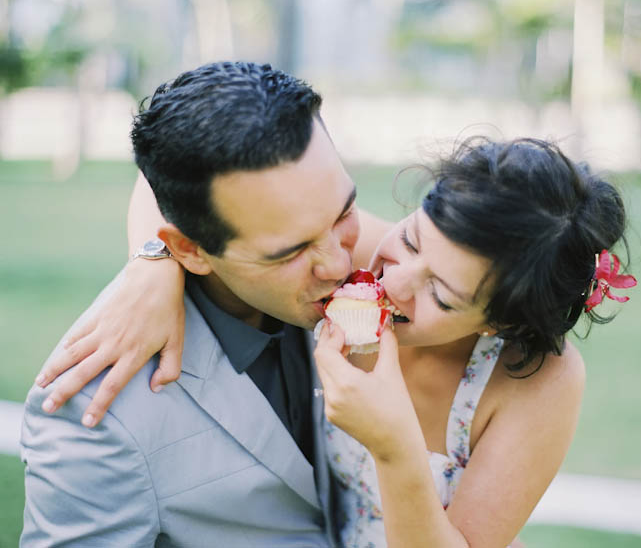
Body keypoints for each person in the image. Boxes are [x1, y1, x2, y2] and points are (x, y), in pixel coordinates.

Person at [31, 125, 635, 545]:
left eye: (442, 297)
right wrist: (151, 267)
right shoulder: (362, 258)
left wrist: (395, 445)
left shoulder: (536, 380)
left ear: (500, 324)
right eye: (414, 237)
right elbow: (182, 168)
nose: (394, 281)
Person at [21, 60, 377, 547]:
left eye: (345, 212)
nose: (338, 264)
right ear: (189, 249)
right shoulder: (95, 412)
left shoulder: (379, 274)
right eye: (290, 251)